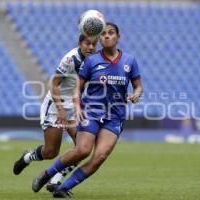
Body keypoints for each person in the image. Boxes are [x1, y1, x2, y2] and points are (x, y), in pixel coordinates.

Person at [31, 22, 143, 198]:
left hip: (115, 116)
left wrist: (136, 94)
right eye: (103, 34)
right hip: (91, 111)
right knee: (83, 150)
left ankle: (63, 188)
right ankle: (47, 174)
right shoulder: (91, 60)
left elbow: (138, 86)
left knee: (99, 157)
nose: (107, 36)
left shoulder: (130, 61)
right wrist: (77, 106)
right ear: (100, 38)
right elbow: (77, 87)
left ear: (118, 37)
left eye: (111, 33)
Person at [13, 34, 98, 189]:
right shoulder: (70, 59)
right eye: (87, 44)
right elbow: (54, 84)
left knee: (82, 148)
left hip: (74, 107)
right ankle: (28, 157)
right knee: (51, 151)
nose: (91, 47)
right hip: (55, 105)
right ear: (80, 43)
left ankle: (55, 180)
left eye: (94, 44)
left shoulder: (95, 60)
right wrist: (60, 110)